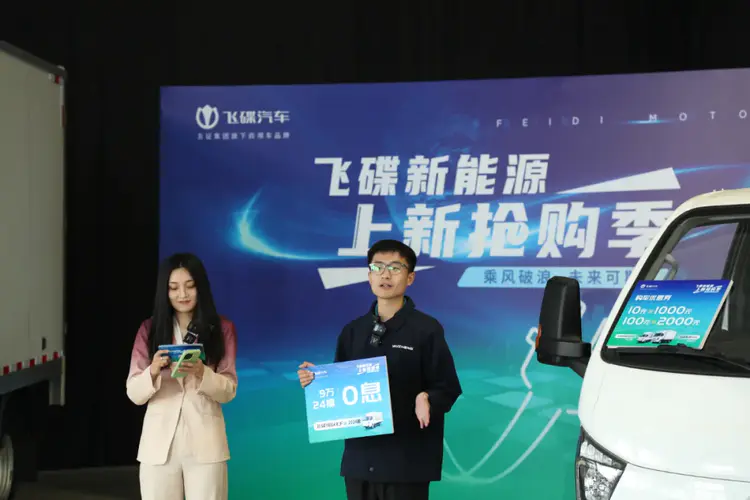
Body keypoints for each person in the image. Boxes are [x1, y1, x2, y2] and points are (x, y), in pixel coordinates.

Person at [298, 239, 462, 500]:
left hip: (406, 461)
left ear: (410, 278)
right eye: (378, 267)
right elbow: (343, 391)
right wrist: (318, 380)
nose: (385, 275)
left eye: (395, 268)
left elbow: (448, 386)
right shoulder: (353, 331)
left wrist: (427, 397)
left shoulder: (426, 329)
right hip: (360, 461)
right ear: (369, 276)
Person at [126, 252, 238, 500]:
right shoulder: (149, 329)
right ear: (164, 291)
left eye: (190, 286)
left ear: (201, 287)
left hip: (206, 444)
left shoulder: (222, 329)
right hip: (158, 444)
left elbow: (229, 390)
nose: (182, 294)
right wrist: (153, 370)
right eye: (174, 288)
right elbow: (134, 392)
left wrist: (201, 372)